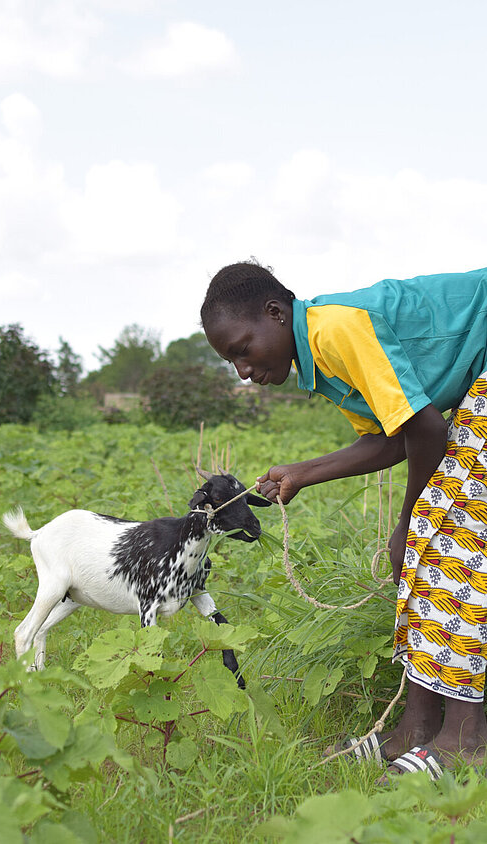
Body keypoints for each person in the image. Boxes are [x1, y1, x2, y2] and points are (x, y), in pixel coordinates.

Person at [200, 260, 487, 779]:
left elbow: (425, 429)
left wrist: (408, 524)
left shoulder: (336, 329)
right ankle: (416, 728)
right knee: (428, 544)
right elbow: (390, 438)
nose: (242, 370)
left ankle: (467, 737)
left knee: (453, 539)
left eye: (242, 349)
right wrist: (302, 472)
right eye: (231, 362)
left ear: (275, 313)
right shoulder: (320, 366)